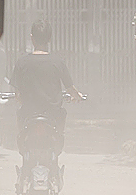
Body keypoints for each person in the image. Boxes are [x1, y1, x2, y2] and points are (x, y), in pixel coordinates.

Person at [10, 21, 83, 151]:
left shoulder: (22, 62)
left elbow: (18, 95)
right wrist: (78, 96)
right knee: (62, 115)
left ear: (31, 37)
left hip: (29, 113)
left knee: (19, 114)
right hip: (53, 113)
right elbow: (70, 89)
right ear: (49, 38)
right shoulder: (57, 62)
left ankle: (22, 148)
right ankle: (57, 147)